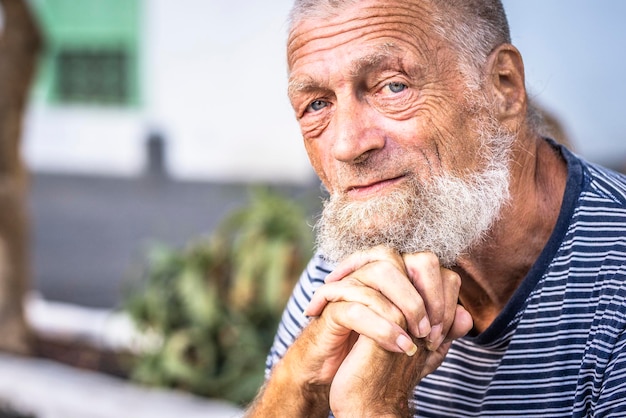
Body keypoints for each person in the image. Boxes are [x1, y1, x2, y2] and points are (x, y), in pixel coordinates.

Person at [245, 0, 626, 416]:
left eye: (393, 86)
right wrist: (299, 382)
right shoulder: (360, 250)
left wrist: (374, 407)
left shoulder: (614, 286)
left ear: (503, 86)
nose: (347, 145)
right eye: (317, 104)